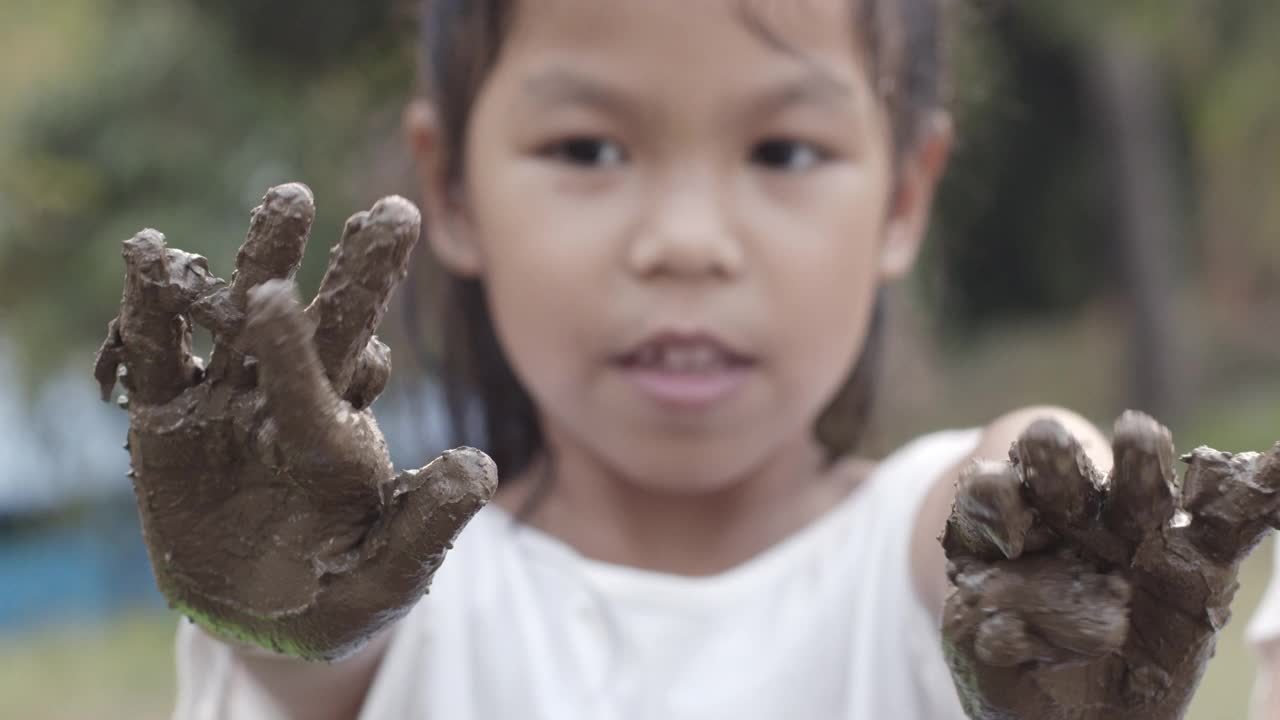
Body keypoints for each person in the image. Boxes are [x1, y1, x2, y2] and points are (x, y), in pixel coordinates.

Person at [92, 1, 1278, 719]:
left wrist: (1072, 571)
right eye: (588, 146)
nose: (683, 243)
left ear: (904, 196)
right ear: (447, 183)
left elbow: (1000, 490)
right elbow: (310, 663)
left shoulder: (920, 560)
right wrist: (276, 615)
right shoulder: (403, 598)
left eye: (782, 149)